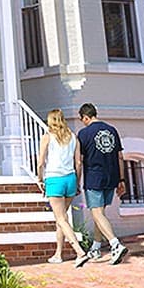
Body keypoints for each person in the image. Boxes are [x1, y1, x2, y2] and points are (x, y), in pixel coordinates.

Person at [36, 109, 91, 267]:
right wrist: (78, 182)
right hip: (70, 179)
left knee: (61, 218)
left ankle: (79, 252)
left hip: (54, 179)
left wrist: (40, 179)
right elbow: (78, 163)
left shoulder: (47, 137)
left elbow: (40, 162)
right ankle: (58, 254)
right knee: (62, 219)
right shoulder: (73, 137)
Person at [76, 103, 127, 264]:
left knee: (97, 214)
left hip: (94, 177)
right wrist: (121, 179)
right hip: (111, 176)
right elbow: (120, 156)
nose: (82, 122)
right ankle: (95, 248)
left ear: (85, 117)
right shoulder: (112, 130)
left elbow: (80, 160)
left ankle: (115, 244)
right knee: (101, 214)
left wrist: (77, 180)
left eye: (82, 119)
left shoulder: (83, 134)